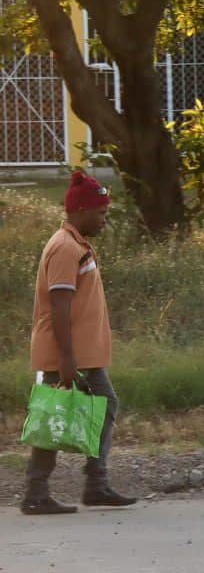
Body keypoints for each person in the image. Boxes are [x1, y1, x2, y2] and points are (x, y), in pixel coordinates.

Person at [21, 171, 137, 514]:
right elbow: (59, 305)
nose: (104, 219)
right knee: (53, 417)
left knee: (96, 406)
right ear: (82, 210)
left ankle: (93, 485)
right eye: (100, 213)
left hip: (82, 354)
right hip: (67, 354)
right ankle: (38, 493)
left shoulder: (77, 244)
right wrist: (66, 358)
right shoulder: (64, 247)